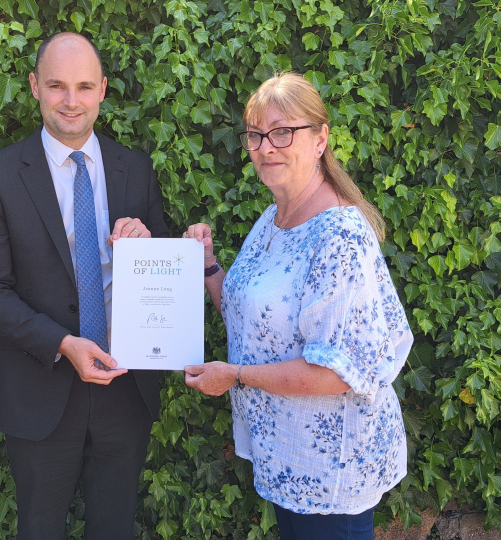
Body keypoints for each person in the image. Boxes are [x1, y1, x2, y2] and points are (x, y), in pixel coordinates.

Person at [182, 72, 413, 540]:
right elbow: (250, 318)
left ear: (320, 138)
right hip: (289, 458)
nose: (266, 147)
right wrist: (209, 267)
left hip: (332, 472)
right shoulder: (273, 218)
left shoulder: (339, 236)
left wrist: (236, 376)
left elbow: (335, 371)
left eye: (283, 132)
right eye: (256, 135)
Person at [0, 32, 168, 540]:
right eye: (57, 86)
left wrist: (146, 243)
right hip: (40, 387)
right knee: (39, 528)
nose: (71, 101)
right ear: (35, 86)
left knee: (115, 526)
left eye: (83, 86)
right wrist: (61, 343)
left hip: (126, 388)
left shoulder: (135, 168)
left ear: (102, 89)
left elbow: (164, 268)